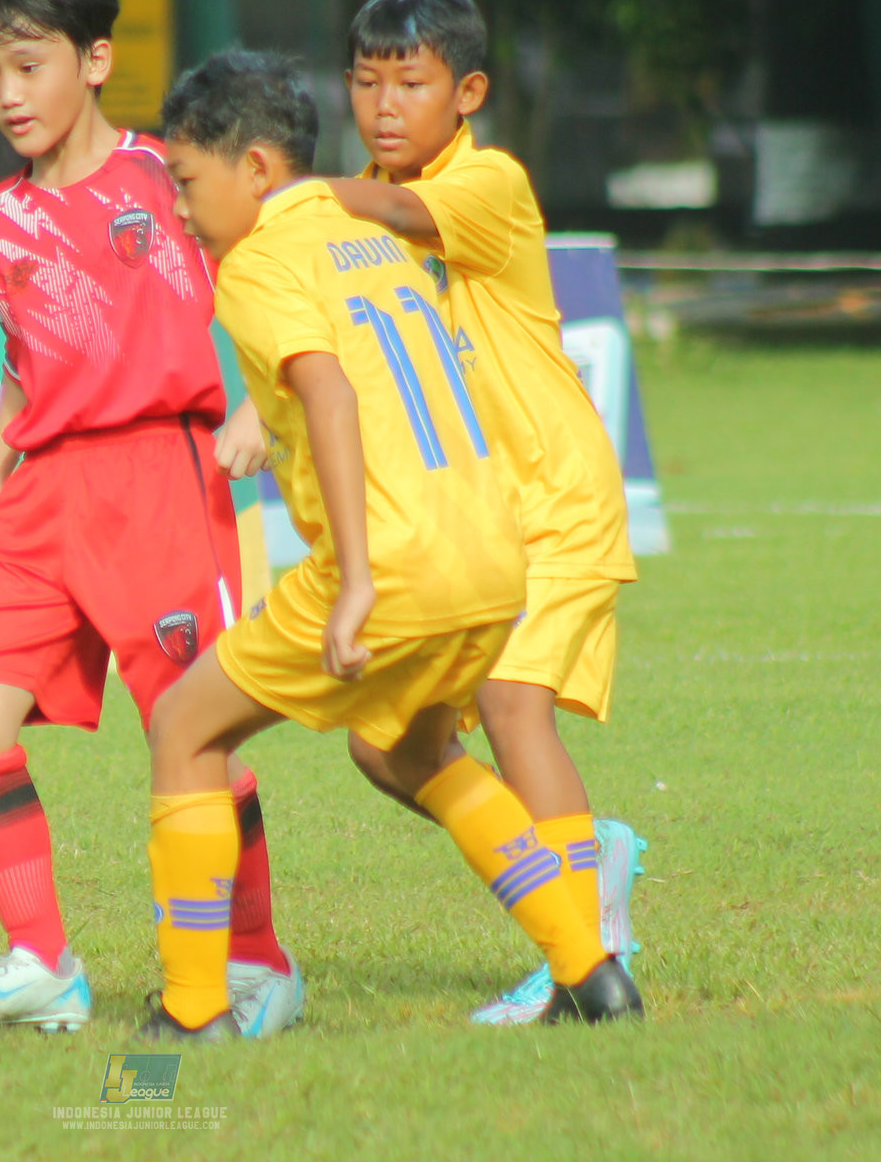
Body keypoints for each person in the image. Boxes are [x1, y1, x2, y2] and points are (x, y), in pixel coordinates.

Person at [143, 51, 642, 1038]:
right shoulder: (367, 231)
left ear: (252, 167)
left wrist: (356, 581)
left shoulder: (250, 265)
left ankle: (192, 1004)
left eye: (185, 182)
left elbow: (327, 390)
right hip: (492, 555)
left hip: (396, 563)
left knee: (183, 728)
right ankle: (590, 969)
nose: (179, 210)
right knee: (402, 746)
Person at [0, 0, 300, 1037]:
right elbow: (20, 354)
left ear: (93, 60)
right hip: (43, 490)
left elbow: (274, 284)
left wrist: (256, 406)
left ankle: (257, 959)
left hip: (161, 473)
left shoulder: (167, 174)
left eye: (26, 66)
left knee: (191, 722)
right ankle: (40, 959)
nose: (6, 96)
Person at [321, 0, 645, 1024]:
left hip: (555, 501)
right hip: (467, 524)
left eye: (407, 83)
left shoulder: (486, 182)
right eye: (364, 82)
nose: (382, 105)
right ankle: (582, 860)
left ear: (465, 92)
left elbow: (395, 209)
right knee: (387, 743)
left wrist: (270, 191)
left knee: (510, 706)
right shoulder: (350, 211)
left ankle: (581, 962)